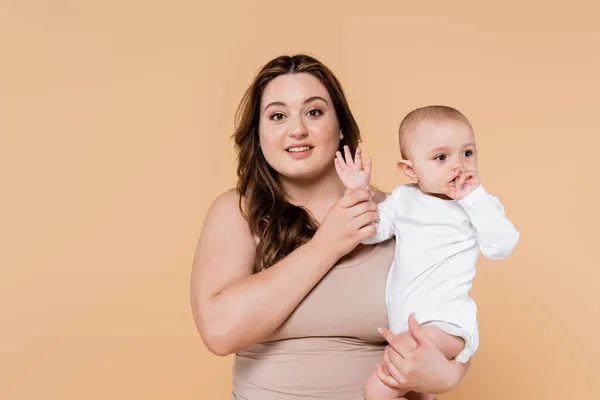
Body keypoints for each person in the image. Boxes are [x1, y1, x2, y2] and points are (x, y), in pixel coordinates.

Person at [190, 54, 471, 399]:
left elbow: (451, 317)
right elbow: (220, 332)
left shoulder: (404, 212)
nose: (297, 129)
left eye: (314, 112)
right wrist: (327, 244)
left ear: (339, 128)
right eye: (278, 116)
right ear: (258, 137)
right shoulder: (237, 211)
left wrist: (447, 376)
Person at [334, 105, 520, 399]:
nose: (458, 165)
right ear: (410, 169)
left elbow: (501, 246)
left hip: (446, 324)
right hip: (406, 326)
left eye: (467, 153)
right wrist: (357, 191)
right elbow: (370, 233)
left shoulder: (477, 204)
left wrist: (475, 199)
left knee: (378, 388)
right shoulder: (403, 199)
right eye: (441, 157)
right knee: (415, 394)